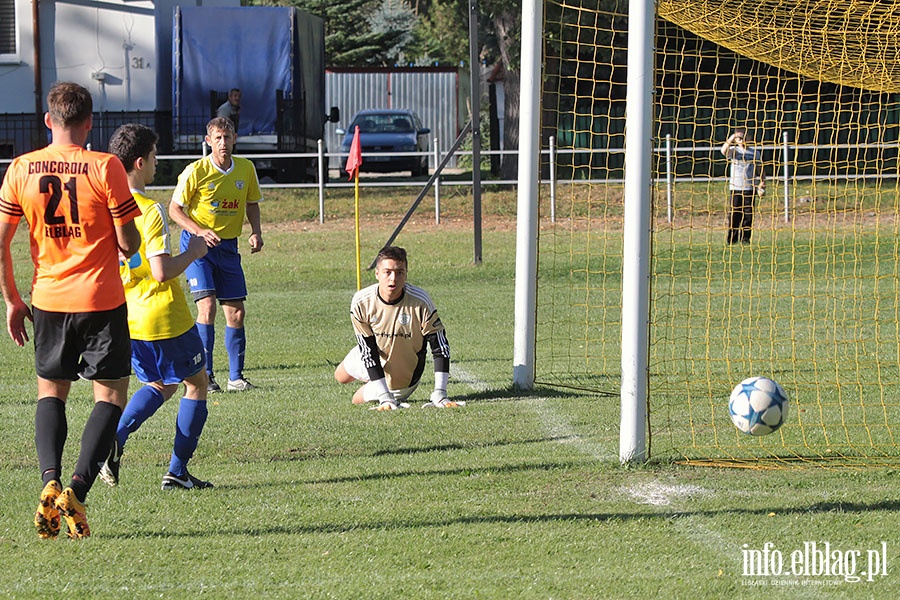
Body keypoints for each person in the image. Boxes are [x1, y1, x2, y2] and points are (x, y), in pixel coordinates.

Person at [0, 82, 142, 539]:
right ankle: (77, 488)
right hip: (101, 299)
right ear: (89, 122)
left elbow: (1, 240)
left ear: (48, 120)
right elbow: (127, 243)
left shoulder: (20, 169)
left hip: (48, 300)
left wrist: (12, 299)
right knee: (111, 397)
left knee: (51, 392)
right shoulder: (106, 167)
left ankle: (50, 481)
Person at [103, 123, 214, 491]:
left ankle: (112, 440)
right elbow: (162, 271)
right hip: (165, 315)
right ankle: (177, 472)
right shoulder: (150, 210)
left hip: (130, 317)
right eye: (153, 157)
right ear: (139, 163)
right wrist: (194, 250)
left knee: (159, 382)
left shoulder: (105, 206)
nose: (157, 163)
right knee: (196, 384)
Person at [169, 116, 263, 392]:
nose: (223, 142)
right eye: (217, 138)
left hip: (228, 247)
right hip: (198, 248)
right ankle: (206, 377)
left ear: (235, 139)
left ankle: (236, 378)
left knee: (236, 313)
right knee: (207, 307)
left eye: (227, 137)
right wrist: (198, 230)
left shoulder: (245, 169)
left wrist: (256, 231)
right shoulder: (195, 171)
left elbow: (251, 202)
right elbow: (175, 209)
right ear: (208, 141)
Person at [334, 246, 460, 410]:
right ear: (377, 274)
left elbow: (440, 347)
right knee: (340, 376)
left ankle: (379, 384)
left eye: (399, 272)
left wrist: (440, 392)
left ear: (406, 274)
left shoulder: (420, 301)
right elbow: (368, 351)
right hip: (377, 352)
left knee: (356, 399)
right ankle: (375, 378)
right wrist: (383, 394)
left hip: (402, 377)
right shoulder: (361, 302)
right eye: (387, 272)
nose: (393, 279)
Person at [721, 127, 766, 245]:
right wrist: (732, 137)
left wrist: (762, 181)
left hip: (749, 188)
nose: (741, 140)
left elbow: (760, 168)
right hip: (735, 188)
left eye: (744, 137)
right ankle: (732, 239)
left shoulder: (754, 152)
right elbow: (723, 150)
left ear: (749, 138)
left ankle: (745, 239)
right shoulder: (734, 151)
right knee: (734, 214)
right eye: (739, 138)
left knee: (748, 215)